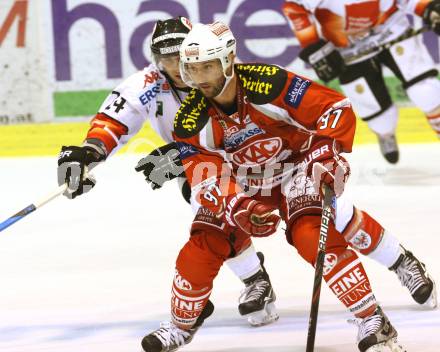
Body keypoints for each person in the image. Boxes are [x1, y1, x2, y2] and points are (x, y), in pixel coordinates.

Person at [141, 21, 437, 352]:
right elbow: (204, 172)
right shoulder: (190, 118)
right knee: (205, 239)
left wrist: (327, 152)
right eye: (192, 70)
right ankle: (182, 325)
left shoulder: (268, 82)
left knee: (313, 231)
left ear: (228, 60)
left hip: (298, 168)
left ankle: (374, 318)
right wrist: (238, 205)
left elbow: (333, 108)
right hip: (245, 182)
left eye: (207, 67)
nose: (200, 79)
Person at [56, 17, 279, 329]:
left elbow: (245, 128)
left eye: (180, 56)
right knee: (208, 207)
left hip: (261, 156)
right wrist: (89, 153)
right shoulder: (149, 83)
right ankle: (256, 280)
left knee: (308, 220)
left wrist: (180, 152)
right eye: (166, 59)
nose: (175, 67)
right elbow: (115, 120)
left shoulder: (221, 72)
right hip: (202, 165)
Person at [282, 0, 440, 164]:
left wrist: (430, 9)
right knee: (380, 119)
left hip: (391, 29)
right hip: (345, 48)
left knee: (426, 92)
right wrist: (313, 46)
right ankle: (385, 133)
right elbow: (295, 8)